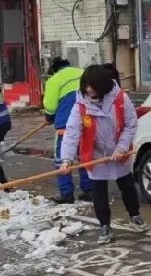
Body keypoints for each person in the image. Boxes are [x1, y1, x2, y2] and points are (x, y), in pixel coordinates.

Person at [59, 64, 145, 245]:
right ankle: (105, 225)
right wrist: (66, 159)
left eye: (93, 86)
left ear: (103, 86)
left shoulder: (120, 98)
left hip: (119, 151)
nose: (89, 90)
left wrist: (121, 148)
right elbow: (72, 132)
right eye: (86, 86)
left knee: (127, 186)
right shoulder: (81, 105)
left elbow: (131, 124)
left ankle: (134, 216)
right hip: (96, 154)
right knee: (99, 192)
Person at [44, 57, 92, 204]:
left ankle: (66, 193)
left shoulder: (54, 80)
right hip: (87, 121)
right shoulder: (83, 73)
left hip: (66, 126)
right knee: (84, 156)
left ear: (53, 70)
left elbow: (50, 107)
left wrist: (49, 117)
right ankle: (90, 190)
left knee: (62, 158)